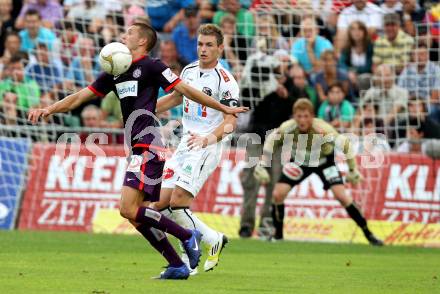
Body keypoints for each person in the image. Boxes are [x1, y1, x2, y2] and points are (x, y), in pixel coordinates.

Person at [28, 22, 247, 280]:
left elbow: (185, 91)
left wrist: (224, 110)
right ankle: (177, 264)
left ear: (142, 41)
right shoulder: (115, 72)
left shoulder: (153, 67)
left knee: (131, 209)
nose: (123, 35)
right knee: (141, 213)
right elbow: (79, 97)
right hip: (139, 146)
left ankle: (189, 235)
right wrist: (49, 109)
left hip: (150, 144)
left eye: (129, 32)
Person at [152, 24, 239, 274]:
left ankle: (189, 259)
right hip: (184, 144)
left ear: (220, 48)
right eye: (200, 44)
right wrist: (147, 108)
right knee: (160, 204)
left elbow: (231, 123)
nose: (203, 49)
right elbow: (177, 98)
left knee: (178, 202)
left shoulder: (226, 82)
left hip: (206, 146)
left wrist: (207, 140)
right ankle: (212, 238)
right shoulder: (188, 70)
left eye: (209, 45)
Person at [253, 98, 383, 246]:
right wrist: (262, 164)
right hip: (299, 162)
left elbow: (345, 144)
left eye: (306, 116)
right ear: (294, 116)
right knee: (278, 194)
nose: (302, 120)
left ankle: (368, 234)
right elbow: (271, 141)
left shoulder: (323, 129)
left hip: (323, 162)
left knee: (342, 196)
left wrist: (353, 170)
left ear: (312, 116)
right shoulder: (288, 127)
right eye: (299, 116)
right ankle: (278, 236)